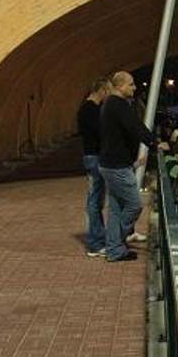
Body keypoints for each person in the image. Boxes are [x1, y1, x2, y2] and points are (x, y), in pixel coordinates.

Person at [97, 71, 160, 262]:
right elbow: (135, 127)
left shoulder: (109, 104)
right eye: (131, 84)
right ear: (120, 86)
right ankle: (115, 243)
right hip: (117, 166)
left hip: (111, 164)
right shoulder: (119, 105)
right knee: (134, 205)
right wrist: (156, 143)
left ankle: (115, 250)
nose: (134, 88)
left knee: (116, 209)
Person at [77, 76, 111, 257]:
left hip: (91, 156)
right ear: (102, 90)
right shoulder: (91, 110)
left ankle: (98, 239)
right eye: (107, 92)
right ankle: (95, 244)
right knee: (95, 200)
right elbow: (100, 133)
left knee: (96, 200)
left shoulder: (85, 109)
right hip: (95, 157)